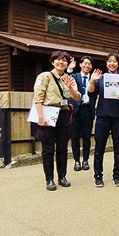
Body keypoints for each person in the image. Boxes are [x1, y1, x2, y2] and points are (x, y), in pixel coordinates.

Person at [33, 50, 81, 191]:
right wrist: (40, 117)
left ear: (67, 63)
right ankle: (49, 179)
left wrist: (70, 86)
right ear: (52, 61)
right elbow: (38, 97)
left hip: (64, 114)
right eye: (58, 59)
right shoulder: (45, 76)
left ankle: (62, 177)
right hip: (48, 113)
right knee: (48, 149)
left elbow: (77, 97)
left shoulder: (69, 78)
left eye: (64, 60)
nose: (61, 62)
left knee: (62, 148)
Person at [88, 53, 119, 188]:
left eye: (115, 61)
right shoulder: (100, 78)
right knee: (99, 147)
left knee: (118, 148)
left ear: (118, 64)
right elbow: (91, 93)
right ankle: (98, 176)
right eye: (110, 61)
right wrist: (92, 80)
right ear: (106, 63)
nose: (112, 63)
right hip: (102, 116)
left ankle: (117, 175)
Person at [69, 56, 96, 172]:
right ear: (80, 64)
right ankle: (76, 161)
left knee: (87, 137)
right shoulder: (74, 76)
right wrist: (70, 69)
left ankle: (85, 160)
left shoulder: (94, 78)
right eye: (85, 63)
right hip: (75, 110)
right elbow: (65, 79)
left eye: (89, 64)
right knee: (74, 137)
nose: (87, 66)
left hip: (88, 110)